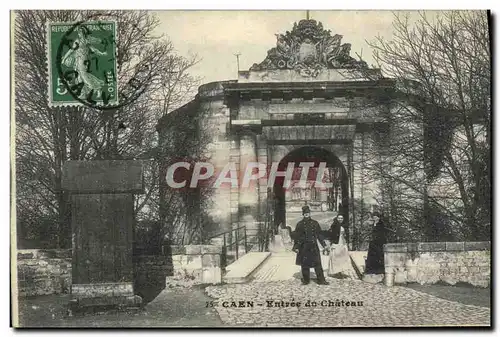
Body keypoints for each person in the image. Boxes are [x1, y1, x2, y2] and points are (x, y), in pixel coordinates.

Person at [292, 206, 330, 285]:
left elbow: (319, 235)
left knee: (318, 263)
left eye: (308, 213)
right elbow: (297, 237)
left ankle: (321, 280)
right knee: (304, 264)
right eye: (305, 213)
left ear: (310, 213)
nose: (306, 214)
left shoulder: (315, 223)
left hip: (313, 246)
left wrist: (324, 245)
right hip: (304, 246)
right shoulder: (300, 224)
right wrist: (296, 247)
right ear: (303, 214)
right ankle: (306, 280)